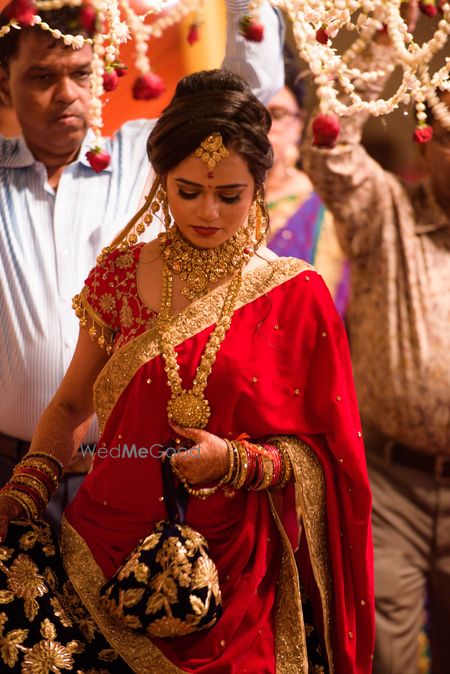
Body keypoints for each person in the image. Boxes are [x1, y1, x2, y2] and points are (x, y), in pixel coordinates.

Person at [0, 69, 374, 673]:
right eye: (188, 190)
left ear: (258, 187)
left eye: (230, 195)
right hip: (105, 552)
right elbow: (70, 406)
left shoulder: (294, 295)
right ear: (162, 181)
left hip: (240, 577)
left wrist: (238, 462)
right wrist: (29, 485)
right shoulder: (119, 276)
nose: (207, 212)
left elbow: (326, 457)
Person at [0, 0, 284, 531]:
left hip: (135, 472)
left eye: (80, 74)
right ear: (3, 83)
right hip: (9, 471)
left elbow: (242, 96)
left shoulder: (147, 155)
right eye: (42, 76)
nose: (66, 94)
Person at [302, 33, 450, 674]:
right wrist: (380, 50)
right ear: (426, 144)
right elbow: (329, 149)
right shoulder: (387, 211)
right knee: (384, 660)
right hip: (392, 486)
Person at [266, 62, 349, 318]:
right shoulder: (210, 202)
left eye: (277, 114)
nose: (262, 127)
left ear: (299, 124)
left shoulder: (324, 208)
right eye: (249, 115)